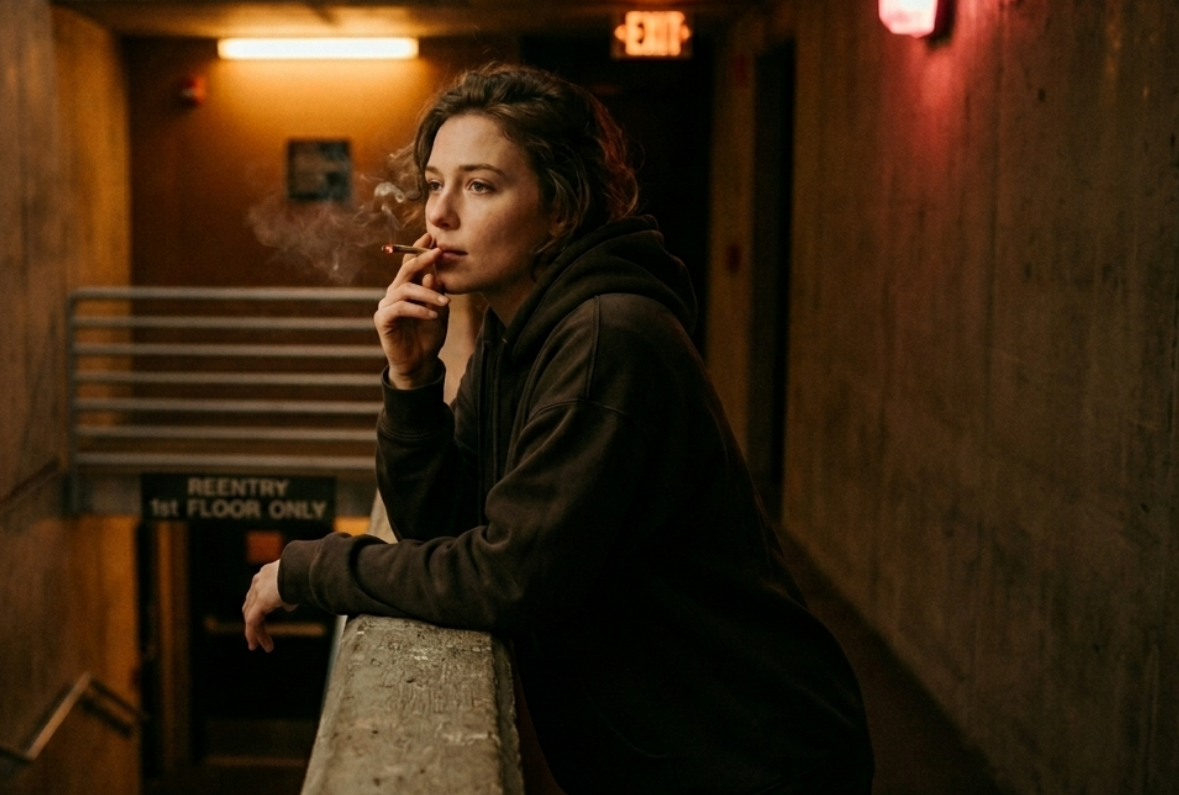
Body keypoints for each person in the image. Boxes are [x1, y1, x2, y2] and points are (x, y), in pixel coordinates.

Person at [242, 63, 873, 793]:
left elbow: (508, 577)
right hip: (679, 749)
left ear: (561, 211)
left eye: (480, 186)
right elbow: (442, 527)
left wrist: (315, 569)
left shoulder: (608, 340)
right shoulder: (516, 329)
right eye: (434, 183)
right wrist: (413, 382)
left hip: (748, 754)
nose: (440, 214)